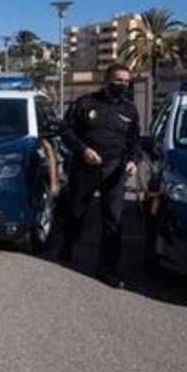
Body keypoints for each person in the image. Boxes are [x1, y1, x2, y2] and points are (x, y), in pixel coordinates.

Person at [57, 63, 141, 288]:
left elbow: (135, 142)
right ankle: (68, 244)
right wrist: (83, 149)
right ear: (106, 81)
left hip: (115, 171)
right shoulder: (85, 103)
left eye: (126, 81)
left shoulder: (129, 110)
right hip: (85, 169)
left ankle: (108, 269)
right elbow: (65, 130)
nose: (122, 85)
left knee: (113, 220)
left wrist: (134, 161)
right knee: (77, 212)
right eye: (118, 80)